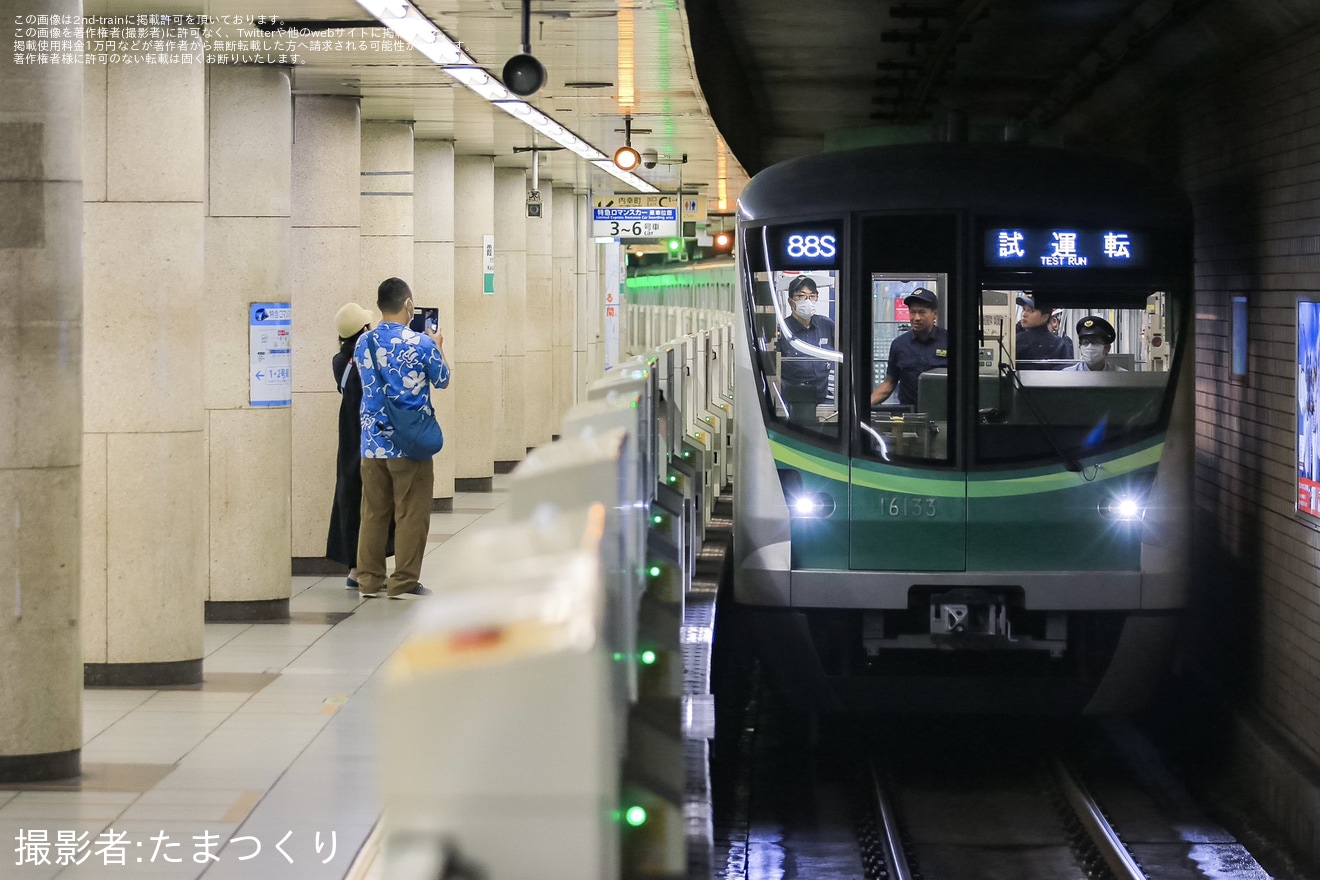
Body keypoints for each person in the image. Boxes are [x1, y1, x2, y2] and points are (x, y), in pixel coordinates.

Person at [355, 277, 451, 598]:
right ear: (409, 305)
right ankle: (404, 582)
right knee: (411, 512)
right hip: (410, 444)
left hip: (371, 443)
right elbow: (443, 379)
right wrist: (437, 345)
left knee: (373, 512)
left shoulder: (362, 342)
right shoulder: (420, 344)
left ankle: (369, 580)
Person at [326, 303, 395, 590]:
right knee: (376, 499)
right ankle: (371, 566)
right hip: (370, 432)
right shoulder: (370, 360)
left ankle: (354, 568)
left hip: (348, 434)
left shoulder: (338, 361)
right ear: (364, 330)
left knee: (349, 493)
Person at [870, 287, 948, 407]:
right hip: (908, 416)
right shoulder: (899, 344)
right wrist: (864, 406)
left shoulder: (948, 341)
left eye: (922, 312)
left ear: (934, 315)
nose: (916, 318)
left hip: (943, 415)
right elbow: (889, 383)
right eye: (912, 312)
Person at [775, 275, 836, 404]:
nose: (807, 300)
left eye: (812, 296)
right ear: (791, 301)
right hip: (792, 402)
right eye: (801, 296)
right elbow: (773, 369)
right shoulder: (782, 330)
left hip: (823, 398)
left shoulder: (826, 325)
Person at [1015, 295, 1071, 369]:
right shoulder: (1059, 343)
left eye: (1031, 310)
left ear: (1045, 317)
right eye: (1024, 309)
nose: (1024, 314)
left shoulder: (1018, 340)